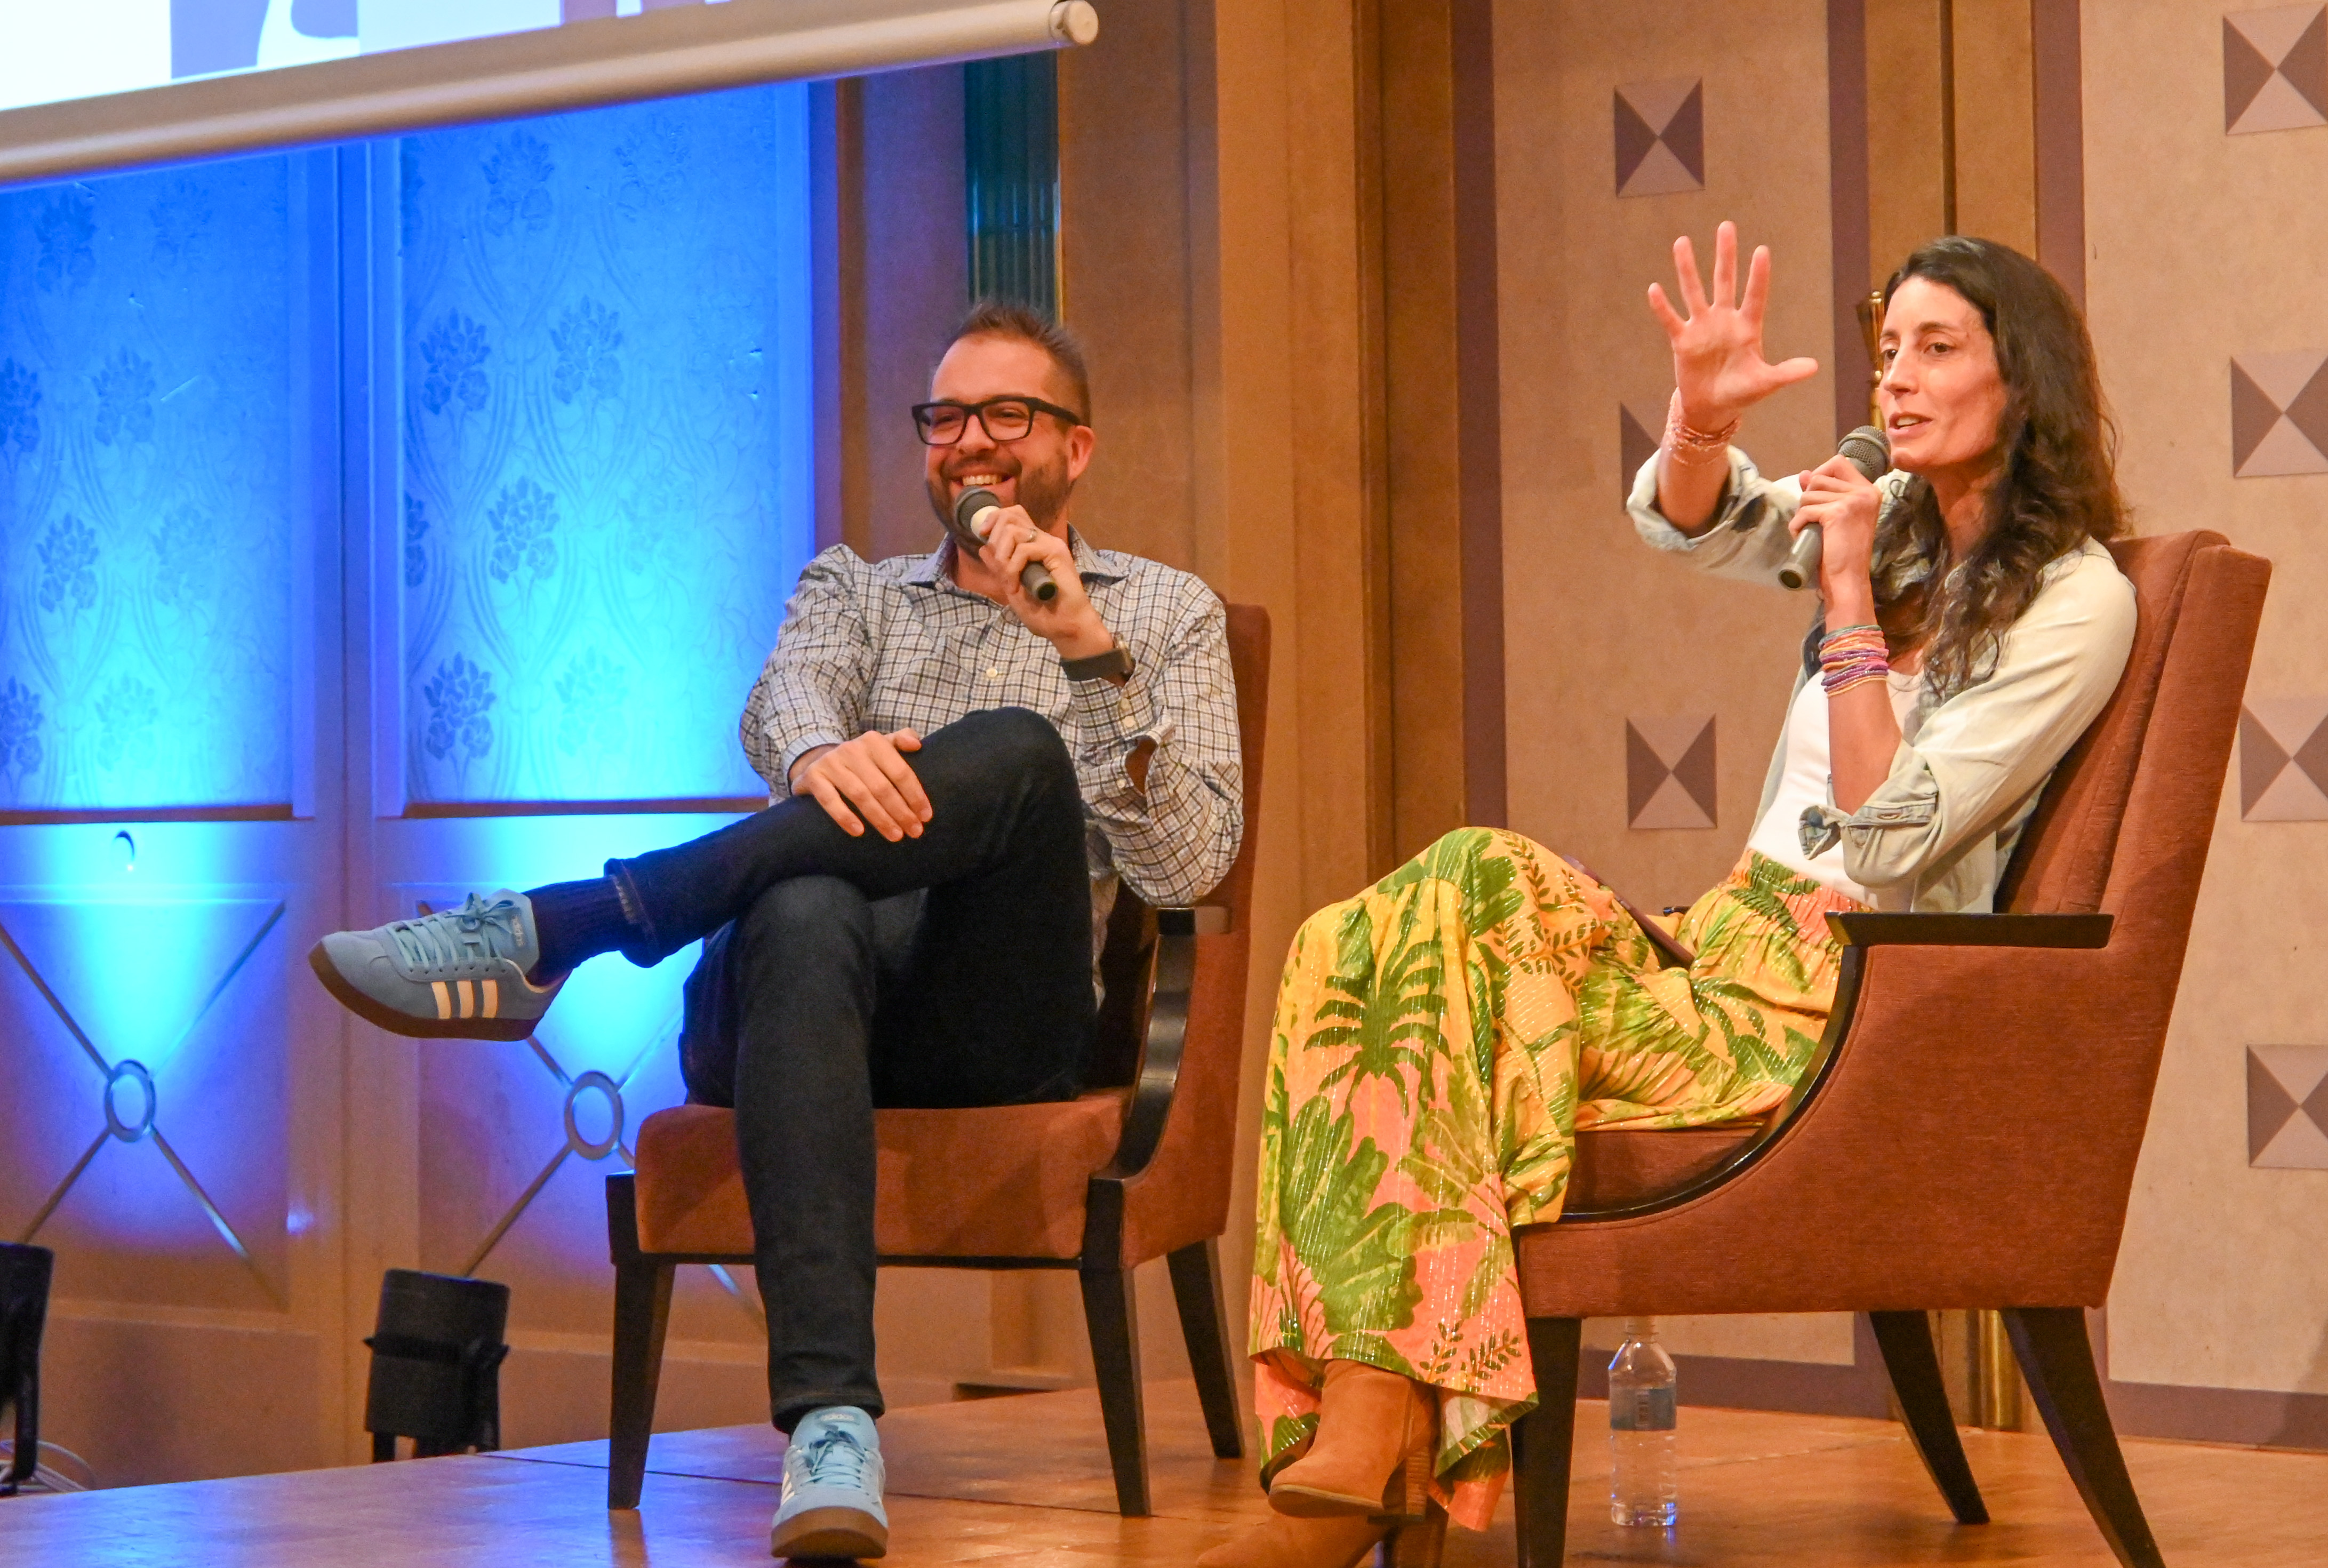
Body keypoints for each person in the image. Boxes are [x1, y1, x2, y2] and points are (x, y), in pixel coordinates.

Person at [1197, 225, 2137, 1568]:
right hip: (1719, 948)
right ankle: (1369, 1434)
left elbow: (1879, 841)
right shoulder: (1907, 526)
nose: (1896, 385)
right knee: (1374, 929)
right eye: (1885, 355)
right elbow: (1703, 523)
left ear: (2023, 381)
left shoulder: (2071, 600)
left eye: (1936, 351)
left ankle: (1364, 1455)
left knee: (1445, 982)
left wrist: (1852, 591)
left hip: (1839, 1007)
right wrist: (1697, 423)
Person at [308, 300, 1244, 1562]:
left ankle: (574, 924)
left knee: (1016, 752)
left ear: (1075, 449)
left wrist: (1079, 645)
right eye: (945, 417)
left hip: (997, 1021)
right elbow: (781, 708)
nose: (969, 443)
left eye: (1006, 415)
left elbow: (1192, 862)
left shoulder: (1165, 612)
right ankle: (831, 1431)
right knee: (803, 904)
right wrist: (819, 752)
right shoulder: (853, 590)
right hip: (802, 1007)